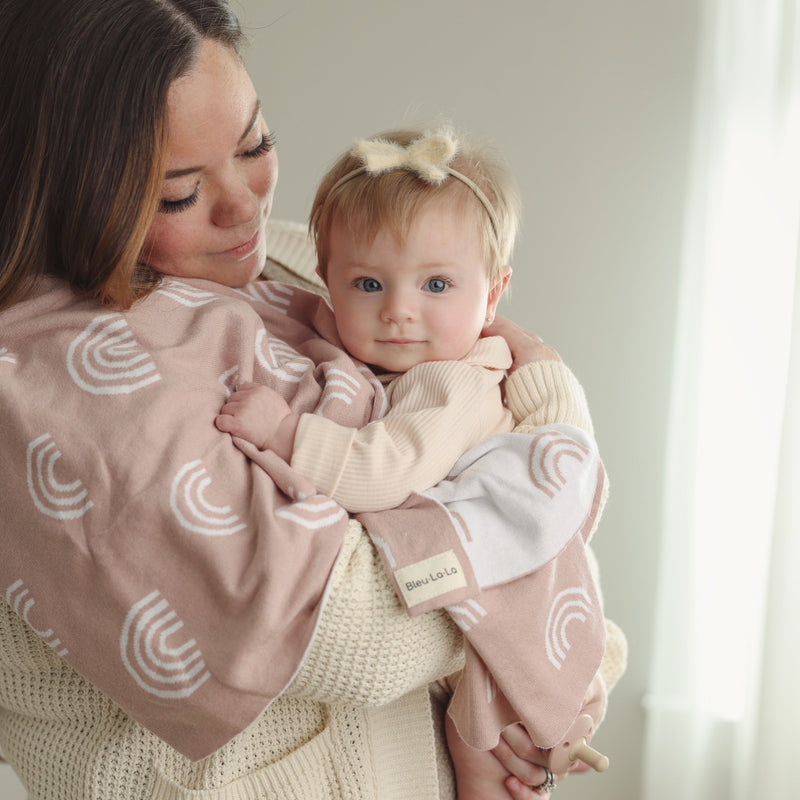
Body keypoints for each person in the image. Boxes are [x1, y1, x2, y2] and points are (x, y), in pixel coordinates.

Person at [0, 2, 627, 800]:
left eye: (255, 144)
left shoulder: (291, 263)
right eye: (179, 194)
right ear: (59, 192)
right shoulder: (56, 384)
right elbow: (353, 633)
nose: (246, 206)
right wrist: (550, 455)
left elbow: (496, 403)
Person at [215, 125, 610, 800]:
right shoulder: (400, 357)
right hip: (503, 586)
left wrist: (288, 433)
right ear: (328, 284)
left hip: (507, 577)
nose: (399, 311)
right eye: (368, 283)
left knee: (476, 736)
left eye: (435, 284)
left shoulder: (452, 381)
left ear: (493, 295)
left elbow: (388, 470)